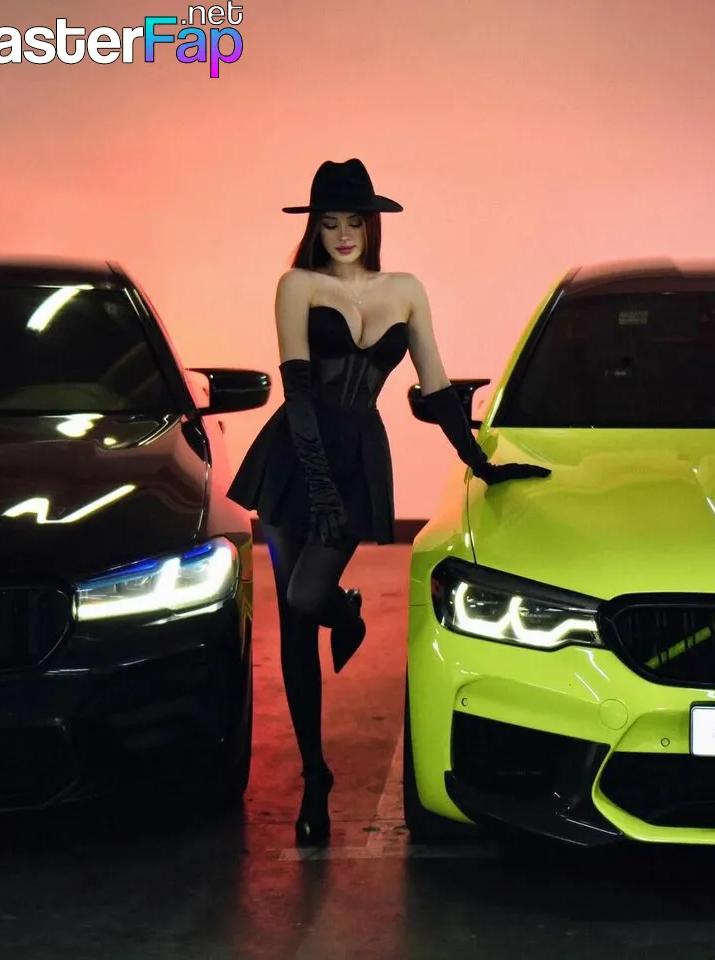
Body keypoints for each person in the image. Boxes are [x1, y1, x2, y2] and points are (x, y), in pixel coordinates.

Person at [226, 158, 551, 846]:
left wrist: (481, 463)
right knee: (294, 621)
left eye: (355, 221)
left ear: (372, 225)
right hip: (294, 457)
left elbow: (435, 388)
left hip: (358, 460)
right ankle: (315, 777)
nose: (343, 234)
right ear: (314, 228)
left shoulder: (405, 290)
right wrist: (318, 487)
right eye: (330, 223)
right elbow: (299, 394)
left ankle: (342, 610)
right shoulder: (297, 285)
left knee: (306, 596)